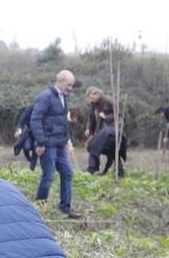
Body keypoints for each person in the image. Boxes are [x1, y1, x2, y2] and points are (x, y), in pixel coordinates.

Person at [30, 70, 80, 218]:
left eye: (72, 85)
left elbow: (63, 121)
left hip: (60, 143)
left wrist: (67, 140)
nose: (70, 88)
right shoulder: (46, 97)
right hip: (47, 143)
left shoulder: (64, 97)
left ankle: (65, 208)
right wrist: (40, 142)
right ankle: (39, 206)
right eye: (68, 84)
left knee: (67, 173)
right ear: (59, 81)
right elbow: (35, 119)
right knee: (49, 175)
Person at [84, 87, 127, 177]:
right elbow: (91, 118)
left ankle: (118, 171)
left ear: (97, 94)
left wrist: (106, 117)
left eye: (92, 98)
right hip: (99, 131)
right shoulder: (93, 104)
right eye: (90, 98)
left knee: (113, 150)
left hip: (111, 131)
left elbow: (119, 116)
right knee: (94, 147)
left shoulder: (109, 101)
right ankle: (94, 170)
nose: (91, 100)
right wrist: (88, 129)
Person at [12, 103, 38, 170]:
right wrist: (19, 129)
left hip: (39, 134)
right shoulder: (31, 108)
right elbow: (22, 120)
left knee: (36, 150)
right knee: (27, 147)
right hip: (29, 132)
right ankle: (30, 160)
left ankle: (32, 168)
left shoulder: (47, 109)